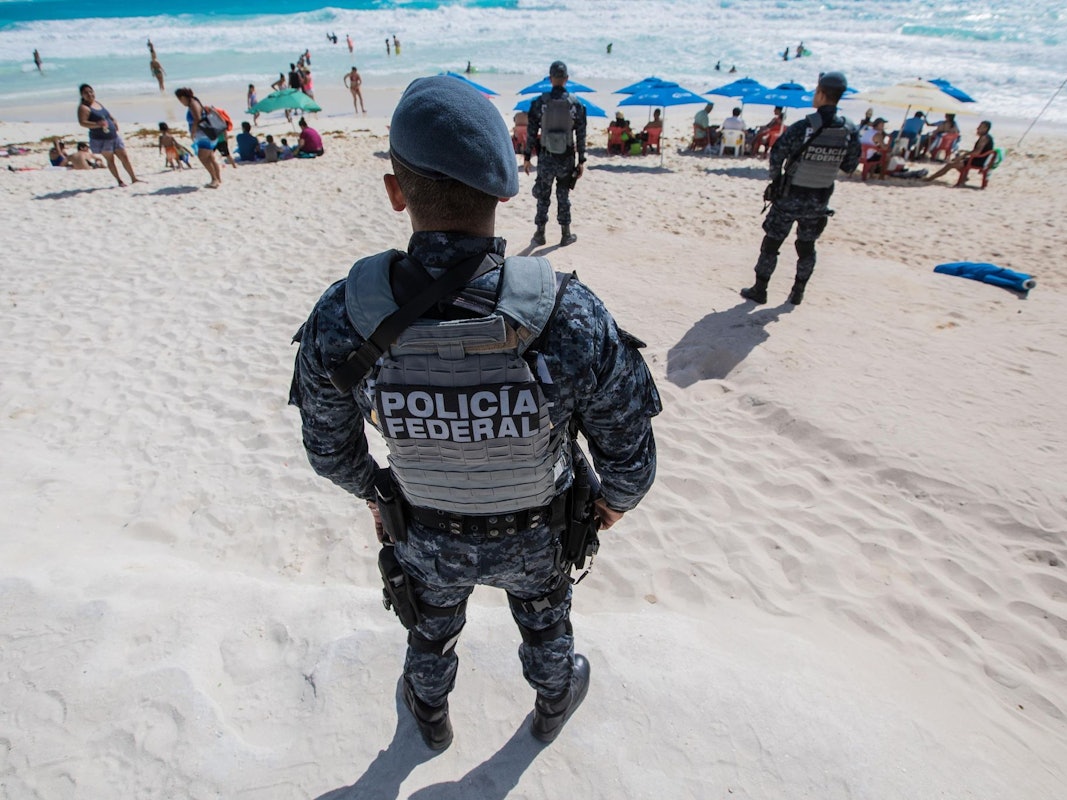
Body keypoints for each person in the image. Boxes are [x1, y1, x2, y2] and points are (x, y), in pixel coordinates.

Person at [288, 74, 660, 751]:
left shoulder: (344, 315)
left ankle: (429, 716)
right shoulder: (567, 313)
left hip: (425, 534)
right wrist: (611, 504)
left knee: (429, 626)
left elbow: (327, 449)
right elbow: (628, 454)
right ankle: (551, 703)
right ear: (507, 189)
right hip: (538, 535)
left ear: (396, 192)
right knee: (546, 624)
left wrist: (376, 493)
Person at [739, 70, 860, 306]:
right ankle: (797, 293)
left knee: (771, 244)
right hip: (819, 199)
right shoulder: (849, 130)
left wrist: (776, 181)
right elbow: (850, 164)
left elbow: (778, 154)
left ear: (822, 94)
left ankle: (760, 290)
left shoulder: (804, 126)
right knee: (806, 247)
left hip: (789, 197)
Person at [523, 61, 587, 247]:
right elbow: (581, 134)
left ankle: (539, 234)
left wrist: (527, 157)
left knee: (543, 195)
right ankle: (565, 234)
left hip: (546, 156)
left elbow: (531, 133)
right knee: (563, 195)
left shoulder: (540, 103)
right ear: (566, 79)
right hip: (566, 157)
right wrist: (581, 159)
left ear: (551, 79)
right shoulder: (576, 105)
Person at [76, 84, 141, 187]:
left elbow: (108, 115)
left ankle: (134, 178)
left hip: (114, 136)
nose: (89, 94)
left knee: (124, 157)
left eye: (91, 91)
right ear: (82, 95)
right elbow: (82, 122)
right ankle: (120, 181)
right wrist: (97, 124)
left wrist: (114, 121)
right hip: (101, 139)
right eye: (86, 93)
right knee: (110, 160)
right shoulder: (83, 108)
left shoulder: (97, 103)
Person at [174, 87, 222, 188]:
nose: (180, 102)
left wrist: (193, 132)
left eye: (179, 99)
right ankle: (218, 178)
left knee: (203, 157)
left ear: (182, 97)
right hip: (207, 135)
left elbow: (197, 118)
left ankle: (215, 179)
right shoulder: (195, 101)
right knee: (210, 158)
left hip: (204, 135)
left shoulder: (192, 103)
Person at [924, 120, 995, 184]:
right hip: (979, 159)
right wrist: (964, 153)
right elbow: (980, 151)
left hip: (978, 161)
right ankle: (964, 177)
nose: (977, 128)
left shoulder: (984, 138)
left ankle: (930, 178)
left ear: (985, 128)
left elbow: (977, 152)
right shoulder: (986, 137)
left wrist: (964, 155)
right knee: (955, 160)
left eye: (980, 127)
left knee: (950, 165)